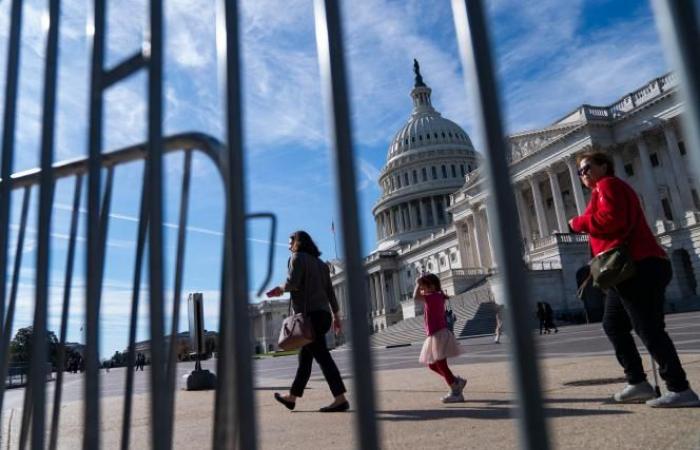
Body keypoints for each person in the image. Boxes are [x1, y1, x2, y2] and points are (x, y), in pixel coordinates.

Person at [569, 151, 699, 407]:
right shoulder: (601, 191)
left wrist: (578, 222)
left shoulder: (608, 184)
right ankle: (637, 382)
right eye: (580, 172)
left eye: (586, 168)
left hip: (639, 265)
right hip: (626, 270)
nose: (583, 175)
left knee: (649, 328)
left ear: (604, 166)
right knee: (614, 325)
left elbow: (611, 221)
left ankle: (679, 388)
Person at [268, 230, 349, 412]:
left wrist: (279, 289)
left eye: (290, 243)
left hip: (308, 317)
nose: (288, 247)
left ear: (297, 243)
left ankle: (340, 398)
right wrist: (336, 317)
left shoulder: (297, 258)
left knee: (323, 358)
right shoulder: (322, 265)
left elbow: (293, 283)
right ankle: (292, 397)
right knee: (305, 359)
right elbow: (330, 293)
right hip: (323, 315)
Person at [413, 273, 466, 403]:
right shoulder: (437, 296)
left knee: (441, 365)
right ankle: (456, 381)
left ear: (431, 287)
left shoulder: (433, 297)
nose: (422, 290)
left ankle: (456, 391)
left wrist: (417, 283)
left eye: (423, 287)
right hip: (436, 334)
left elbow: (415, 297)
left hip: (438, 335)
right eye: (421, 288)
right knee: (433, 365)